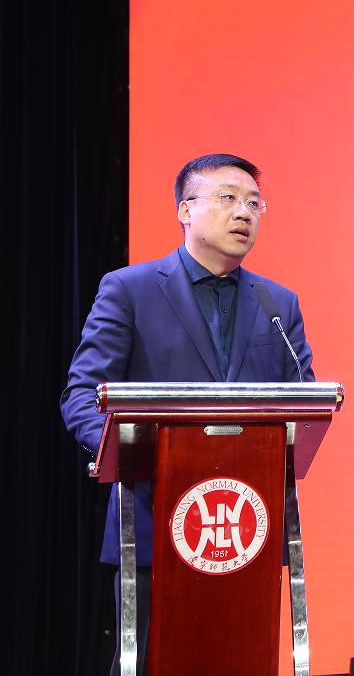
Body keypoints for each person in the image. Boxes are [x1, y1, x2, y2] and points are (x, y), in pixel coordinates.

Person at [61, 153, 315, 676]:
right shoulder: (129, 290)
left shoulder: (278, 304)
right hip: (154, 523)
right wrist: (127, 452)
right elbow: (83, 394)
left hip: (247, 531)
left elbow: (304, 402)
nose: (244, 212)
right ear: (185, 210)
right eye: (228, 198)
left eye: (254, 203)